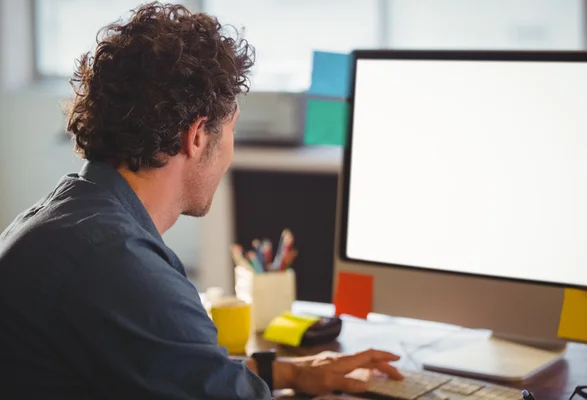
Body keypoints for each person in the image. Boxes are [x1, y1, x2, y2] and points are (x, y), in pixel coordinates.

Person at [0, 2, 402, 399]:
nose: (231, 152)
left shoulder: (66, 219)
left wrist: (291, 375)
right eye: (231, 130)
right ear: (196, 137)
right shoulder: (118, 261)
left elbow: (175, 365)